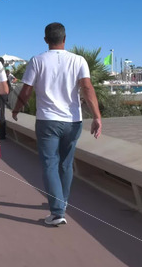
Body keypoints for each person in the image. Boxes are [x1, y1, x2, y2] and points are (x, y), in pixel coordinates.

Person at [11, 22, 102, 226]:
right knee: (66, 164)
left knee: (50, 164)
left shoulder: (37, 61)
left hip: (47, 121)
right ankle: (63, 202)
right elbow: (87, 88)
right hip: (73, 121)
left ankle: (57, 211)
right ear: (65, 39)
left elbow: (26, 90)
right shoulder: (78, 60)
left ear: (45, 40)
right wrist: (97, 116)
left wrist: (17, 109)